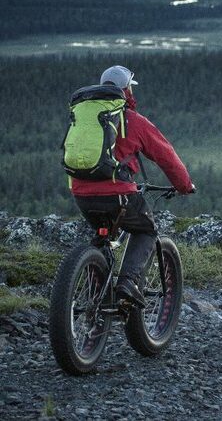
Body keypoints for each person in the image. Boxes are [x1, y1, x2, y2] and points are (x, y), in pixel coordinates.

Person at [70, 65, 194, 306]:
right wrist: (184, 186)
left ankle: (94, 281)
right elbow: (167, 157)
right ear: (126, 90)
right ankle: (129, 281)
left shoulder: (85, 117)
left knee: (103, 234)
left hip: (81, 193)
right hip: (118, 194)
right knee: (146, 229)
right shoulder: (134, 121)